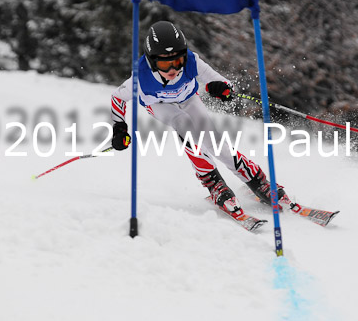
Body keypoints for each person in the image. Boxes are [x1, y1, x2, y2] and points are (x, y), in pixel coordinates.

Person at [110, 21, 286, 219]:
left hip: (187, 97)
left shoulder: (192, 61)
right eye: (164, 63)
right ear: (152, 62)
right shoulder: (140, 78)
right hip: (158, 104)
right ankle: (214, 184)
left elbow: (223, 83)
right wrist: (119, 128)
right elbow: (117, 98)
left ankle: (257, 181)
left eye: (177, 61)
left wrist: (223, 89)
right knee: (183, 123)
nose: (172, 69)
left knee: (214, 140)